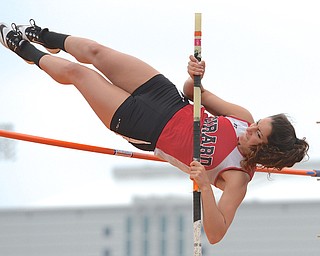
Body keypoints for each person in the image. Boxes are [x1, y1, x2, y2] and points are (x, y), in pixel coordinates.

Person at [0, 19, 309, 244]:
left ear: (265, 150)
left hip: (143, 125)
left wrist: (204, 185)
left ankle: (28, 52)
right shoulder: (242, 118)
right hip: (165, 96)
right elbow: (192, 91)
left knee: (78, 73)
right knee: (96, 51)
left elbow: (216, 233)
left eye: (257, 133)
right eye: (258, 123)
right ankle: (44, 36)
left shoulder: (238, 176)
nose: (251, 127)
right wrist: (197, 77)